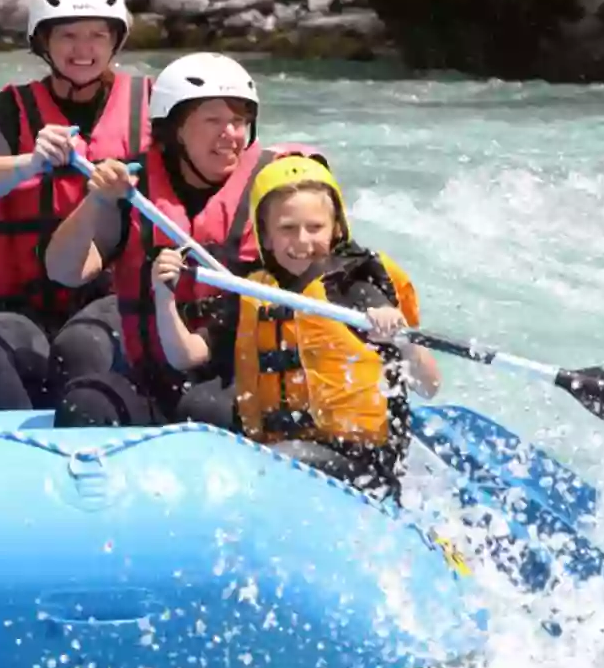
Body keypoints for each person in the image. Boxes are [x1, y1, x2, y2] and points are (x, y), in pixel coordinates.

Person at [42, 52, 319, 428]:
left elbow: (328, 271)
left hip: (250, 383)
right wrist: (96, 200)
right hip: (159, 380)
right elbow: (64, 271)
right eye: (213, 120)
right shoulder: (132, 190)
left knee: (204, 409)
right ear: (174, 129)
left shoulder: (277, 190)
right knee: (86, 402)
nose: (231, 134)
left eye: (239, 121)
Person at [148, 155, 440, 499]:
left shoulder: (356, 285)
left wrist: (400, 336)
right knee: (196, 411)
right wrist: (163, 295)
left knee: (278, 460)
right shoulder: (253, 291)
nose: (302, 240)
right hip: (281, 453)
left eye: (315, 228)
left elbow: (430, 385)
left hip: (362, 468)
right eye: (287, 228)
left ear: (335, 229)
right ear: (265, 236)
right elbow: (185, 355)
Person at [0, 0, 152, 413]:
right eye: (68, 36)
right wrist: (32, 161)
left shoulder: (153, 107)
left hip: (112, 300)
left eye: (98, 35)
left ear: (115, 41)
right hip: (23, 305)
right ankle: (14, 461)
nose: (84, 50)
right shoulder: (13, 107)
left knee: (83, 345)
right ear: (43, 43)